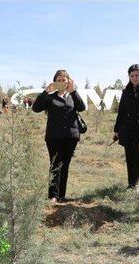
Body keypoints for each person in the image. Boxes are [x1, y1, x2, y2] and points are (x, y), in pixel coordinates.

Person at [32, 69, 86, 203]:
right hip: (54, 137)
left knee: (65, 165)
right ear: (55, 82)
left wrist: (73, 91)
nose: (61, 82)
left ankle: (62, 194)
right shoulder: (50, 97)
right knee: (55, 165)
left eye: (64, 80)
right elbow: (36, 108)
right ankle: (53, 196)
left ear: (68, 82)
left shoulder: (72, 95)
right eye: (58, 80)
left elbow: (82, 108)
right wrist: (45, 92)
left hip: (71, 136)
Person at [113, 64, 139, 190]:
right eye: (132, 76)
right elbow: (121, 112)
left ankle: (134, 185)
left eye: (137, 75)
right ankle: (130, 184)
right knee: (129, 158)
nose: (134, 78)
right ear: (129, 76)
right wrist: (116, 130)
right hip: (127, 130)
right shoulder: (126, 91)